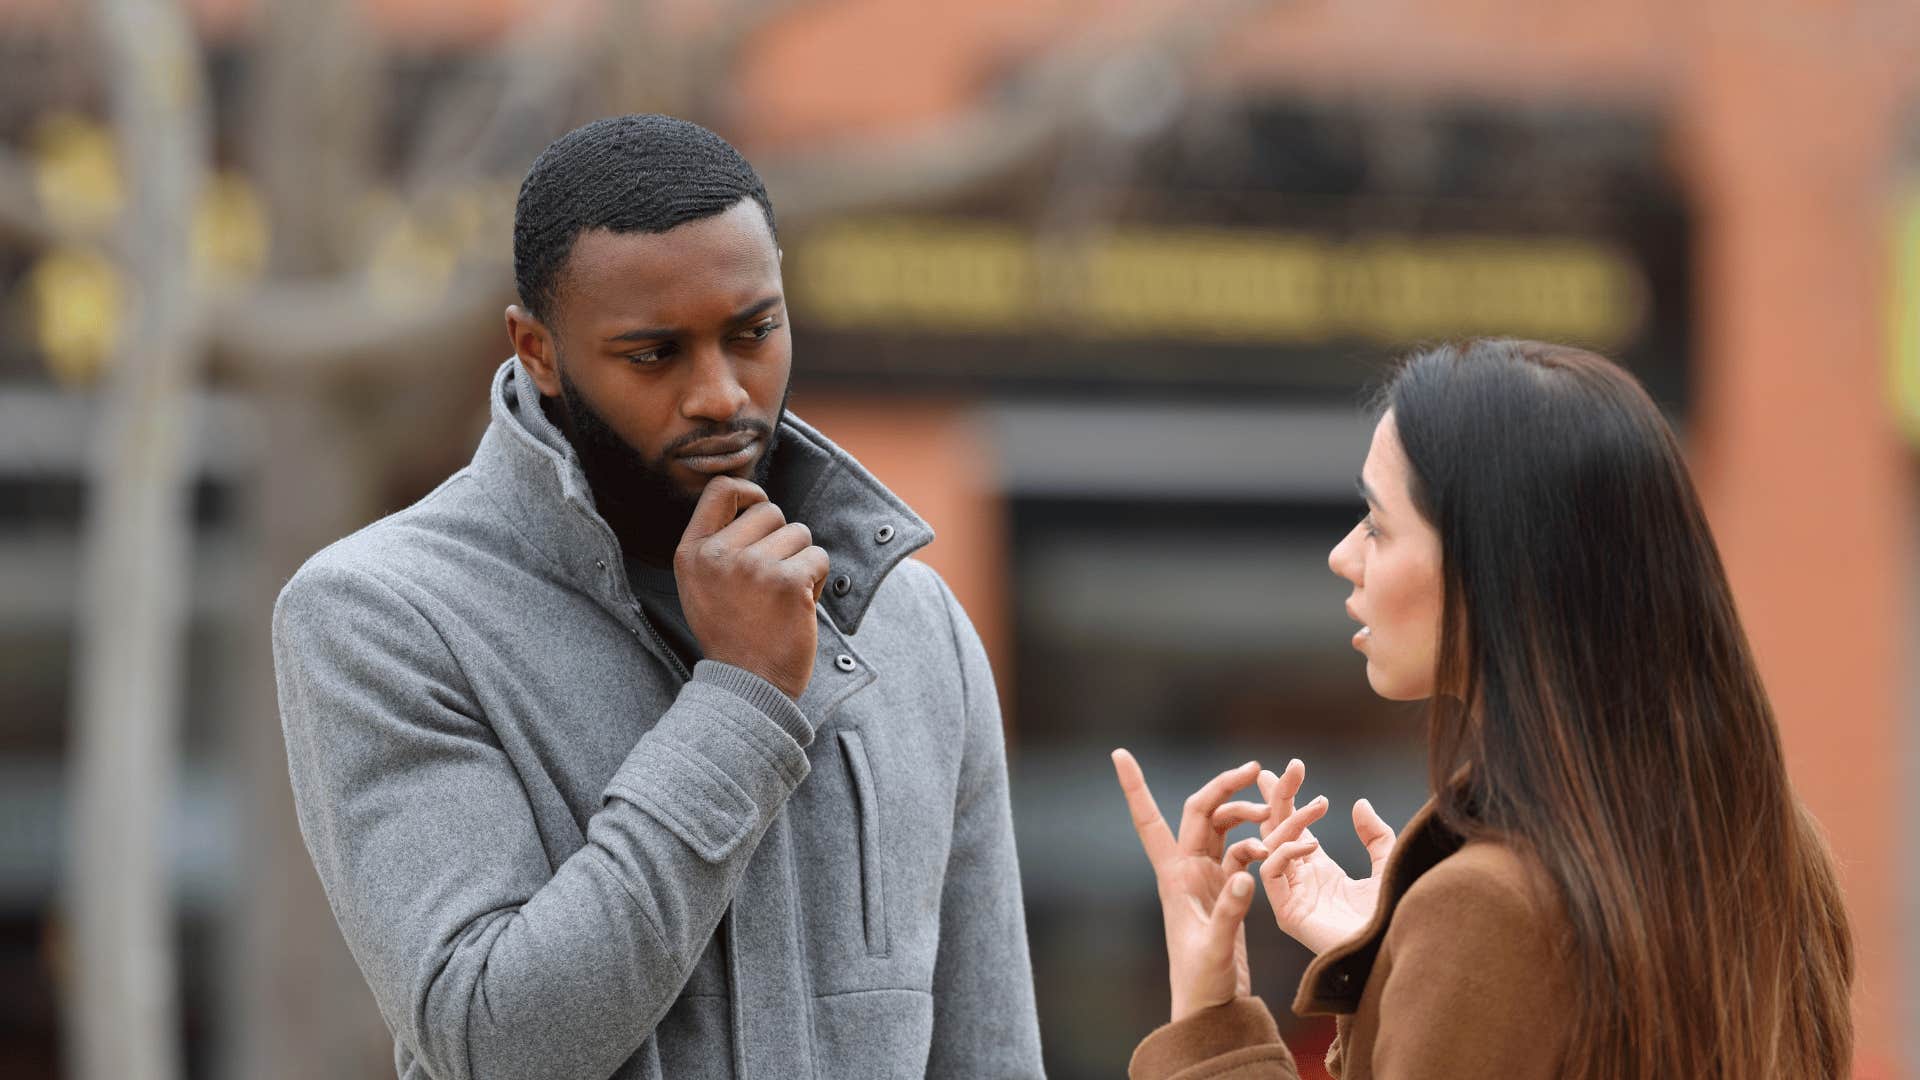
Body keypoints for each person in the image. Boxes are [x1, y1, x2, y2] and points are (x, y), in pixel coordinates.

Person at [272, 114, 1043, 1080]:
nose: (721, 393)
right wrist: (742, 697)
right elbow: (496, 1042)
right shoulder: (383, 616)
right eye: (654, 354)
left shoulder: (909, 618)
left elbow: (989, 1051)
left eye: (753, 333)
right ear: (539, 350)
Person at [1111, 339, 1854, 1079]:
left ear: (1488, 567)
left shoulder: (1483, 912)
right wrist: (1397, 960)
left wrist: (1215, 1029)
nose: (1345, 555)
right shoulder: (1772, 849)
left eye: (1376, 523)